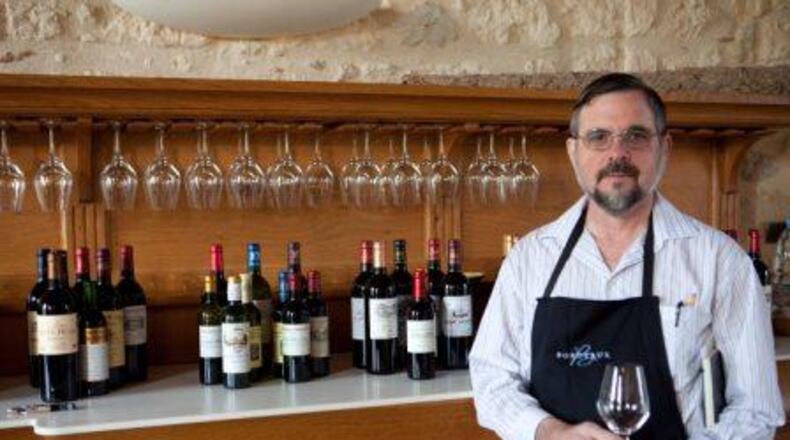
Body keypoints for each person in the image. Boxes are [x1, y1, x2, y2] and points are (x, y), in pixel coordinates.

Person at [469, 73, 784, 440]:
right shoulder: (529, 258)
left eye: (636, 136)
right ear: (573, 151)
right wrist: (549, 432)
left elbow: (756, 409)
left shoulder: (719, 260)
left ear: (664, 147)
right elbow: (492, 379)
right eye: (598, 137)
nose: (617, 153)